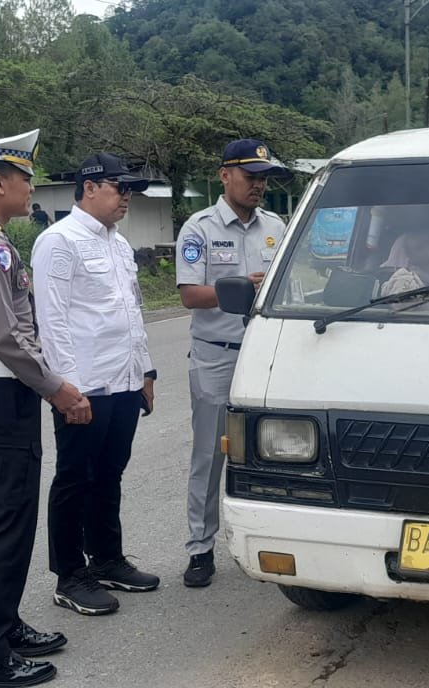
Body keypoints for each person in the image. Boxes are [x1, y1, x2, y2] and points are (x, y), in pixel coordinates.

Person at [0, 129, 90, 688]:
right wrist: (57, 388)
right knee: (2, 522)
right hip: (1, 393)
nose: (32, 188)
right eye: (26, 179)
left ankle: (0, 627)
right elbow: (6, 336)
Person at [32, 153, 160, 616]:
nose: (126, 197)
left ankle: (107, 558)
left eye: (130, 190)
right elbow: (52, 320)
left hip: (123, 382)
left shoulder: (119, 244)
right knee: (75, 478)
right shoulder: (58, 242)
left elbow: (132, 311)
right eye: (118, 188)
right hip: (84, 386)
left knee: (110, 475)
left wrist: (145, 371)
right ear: (89, 188)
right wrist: (66, 388)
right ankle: (70, 573)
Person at [174, 139, 290, 588]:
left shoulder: (277, 227)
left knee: (277, 450)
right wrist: (243, 285)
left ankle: (275, 538)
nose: (258, 185)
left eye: (263, 178)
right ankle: (200, 548)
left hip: (265, 356)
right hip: (217, 358)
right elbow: (189, 295)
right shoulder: (199, 229)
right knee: (209, 454)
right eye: (250, 177)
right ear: (225, 176)